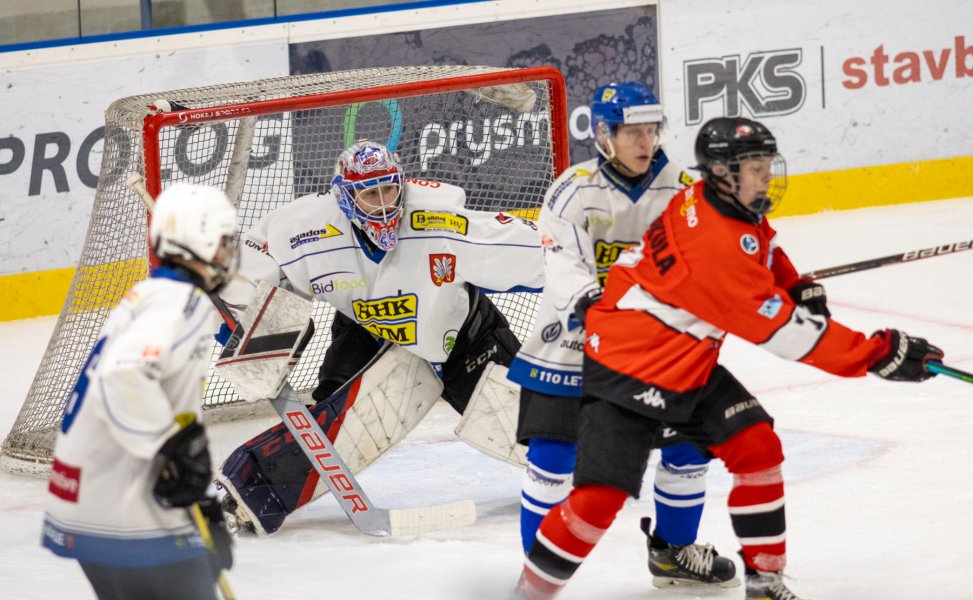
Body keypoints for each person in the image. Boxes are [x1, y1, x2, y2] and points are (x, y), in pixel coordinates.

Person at [516, 116, 945, 600]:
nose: (766, 178)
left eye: (766, 165)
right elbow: (787, 335)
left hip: (684, 360)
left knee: (757, 447)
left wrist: (794, 283)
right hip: (627, 365)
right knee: (599, 498)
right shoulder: (713, 248)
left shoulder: (705, 198)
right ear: (722, 172)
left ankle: (764, 585)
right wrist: (879, 354)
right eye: (755, 168)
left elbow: (763, 240)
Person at [217, 139, 544, 535]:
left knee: (545, 434)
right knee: (332, 427)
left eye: (390, 188)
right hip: (365, 331)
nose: (386, 203)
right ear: (345, 197)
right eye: (371, 193)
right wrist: (238, 308)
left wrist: (587, 275)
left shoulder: (439, 219)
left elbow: (522, 248)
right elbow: (252, 259)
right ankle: (248, 492)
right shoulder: (304, 228)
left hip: (461, 335)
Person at [506, 82, 737, 587]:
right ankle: (535, 579)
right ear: (605, 135)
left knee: (688, 444)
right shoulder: (574, 189)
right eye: (632, 131)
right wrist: (591, 299)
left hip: (655, 346)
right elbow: (562, 259)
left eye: (651, 130)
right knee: (553, 454)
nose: (645, 141)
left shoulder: (684, 192)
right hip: (571, 342)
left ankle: (673, 554)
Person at [41, 183, 238, 600]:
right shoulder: (182, 303)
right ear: (201, 241)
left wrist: (197, 502)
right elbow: (125, 375)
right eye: (223, 242)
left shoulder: (147, 295)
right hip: (126, 510)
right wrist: (178, 451)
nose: (227, 253)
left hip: (88, 497)